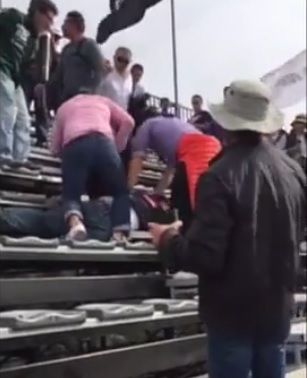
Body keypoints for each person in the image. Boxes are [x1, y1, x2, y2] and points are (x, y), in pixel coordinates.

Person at [148, 80, 306, 378]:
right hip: (276, 312)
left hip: (232, 316)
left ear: (227, 124)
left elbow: (206, 256)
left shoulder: (219, 176)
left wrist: (168, 239)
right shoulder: (293, 172)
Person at [49, 89, 135, 241]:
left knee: (71, 193)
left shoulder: (64, 107)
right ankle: (119, 233)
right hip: (105, 143)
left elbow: (54, 147)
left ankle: (76, 224)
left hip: (74, 142)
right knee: (120, 192)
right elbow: (129, 122)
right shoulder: (102, 100)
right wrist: (118, 146)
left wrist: (66, 159)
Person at [128, 116, 221, 232]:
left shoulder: (144, 128)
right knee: (208, 201)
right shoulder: (174, 130)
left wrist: (129, 189)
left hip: (195, 149)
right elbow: (169, 172)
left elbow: (137, 160)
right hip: (214, 146)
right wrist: (157, 193)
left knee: (196, 205)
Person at [0, 0, 58, 173]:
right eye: (48, 18)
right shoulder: (14, 17)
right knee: (7, 111)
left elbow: (29, 63)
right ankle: (3, 154)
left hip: (15, 76)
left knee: (23, 119)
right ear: (37, 13)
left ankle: (20, 158)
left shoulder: (35, 38)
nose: (50, 24)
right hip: (2, 67)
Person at [0, 192, 175, 240]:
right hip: (109, 223)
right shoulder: (168, 213)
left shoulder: (144, 196)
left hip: (102, 208)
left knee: (43, 223)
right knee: (50, 233)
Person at [51, 11, 103, 105]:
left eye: (65, 23)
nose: (63, 27)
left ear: (74, 24)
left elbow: (101, 70)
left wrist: (90, 89)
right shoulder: (66, 49)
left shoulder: (88, 45)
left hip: (83, 101)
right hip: (67, 100)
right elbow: (59, 75)